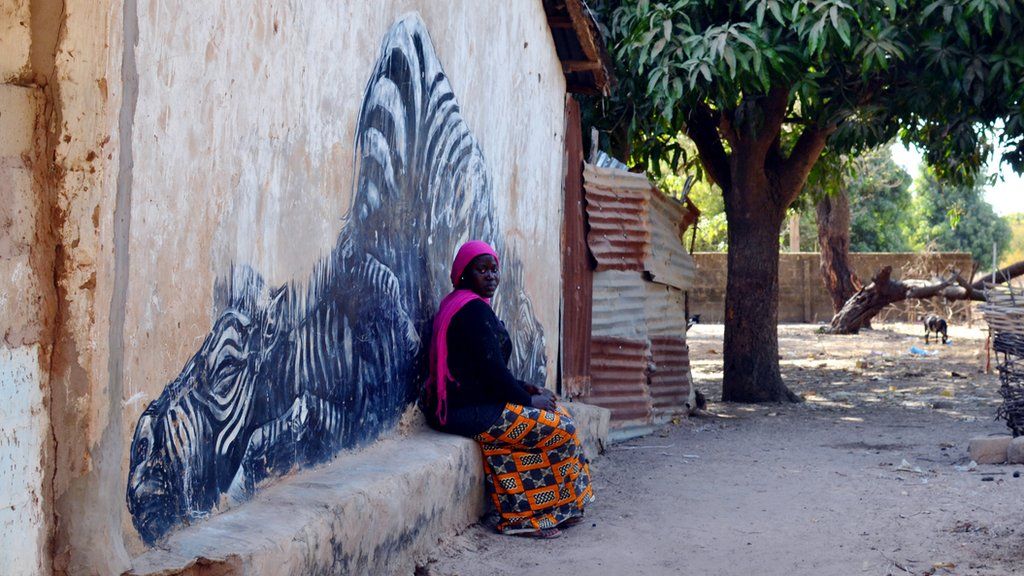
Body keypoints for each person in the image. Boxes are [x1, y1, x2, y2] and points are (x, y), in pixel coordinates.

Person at [424, 240, 594, 539]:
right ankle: (549, 511)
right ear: (464, 274)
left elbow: (484, 369)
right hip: (468, 411)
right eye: (482, 270)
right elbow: (492, 373)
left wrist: (523, 387)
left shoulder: (466, 306)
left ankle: (533, 515)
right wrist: (528, 399)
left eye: (494, 269)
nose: (491, 276)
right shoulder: (473, 312)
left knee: (509, 444)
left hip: (468, 406)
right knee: (561, 426)